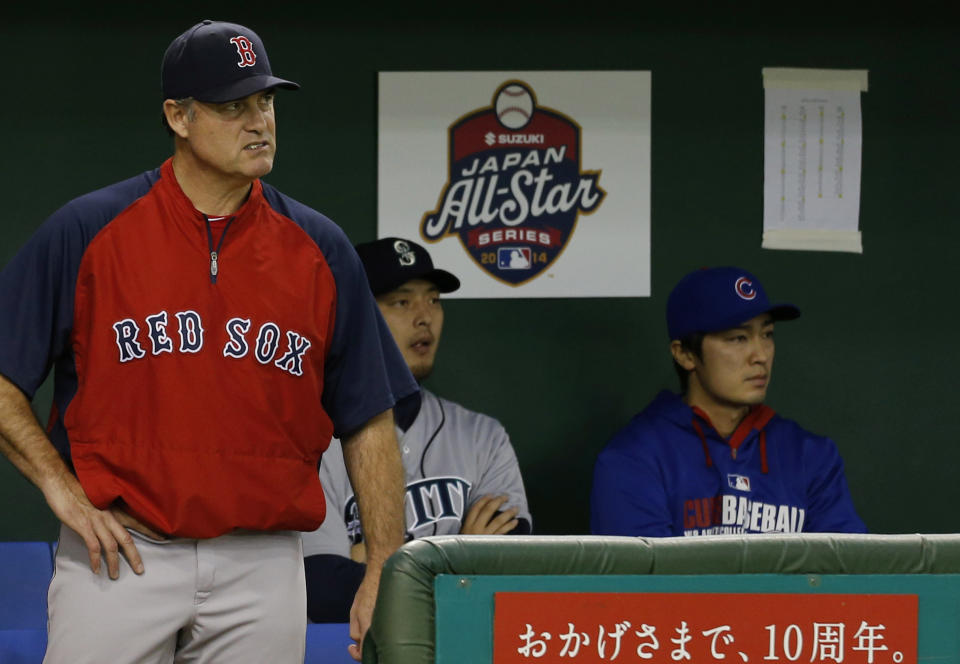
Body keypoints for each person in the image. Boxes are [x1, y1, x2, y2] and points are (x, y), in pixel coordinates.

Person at [0, 20, 415, 663]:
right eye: (232, 106)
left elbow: (369, 417)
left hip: (265, 564)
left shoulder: (319, 247)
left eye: (266, 102)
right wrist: (60, 487)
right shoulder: (89, 231)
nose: (259, 122)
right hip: (121, 555)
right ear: (179, 116)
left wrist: (384, 565)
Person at [302, 237, 532, 622]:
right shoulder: (310, 439)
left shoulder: (483, 437)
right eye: (401, 302)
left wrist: (373, 559)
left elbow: (508, 565)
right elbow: (325, 589)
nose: (424, 316)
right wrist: (458, 560)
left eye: (434, 299)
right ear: (353, 315)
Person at [590, 266, 866, 537]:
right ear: (685, 354)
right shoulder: (634, 459)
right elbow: (645, 581)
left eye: (767, 335)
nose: (760, 355)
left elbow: (847, 573)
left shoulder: (810, 455)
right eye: (738, 338)